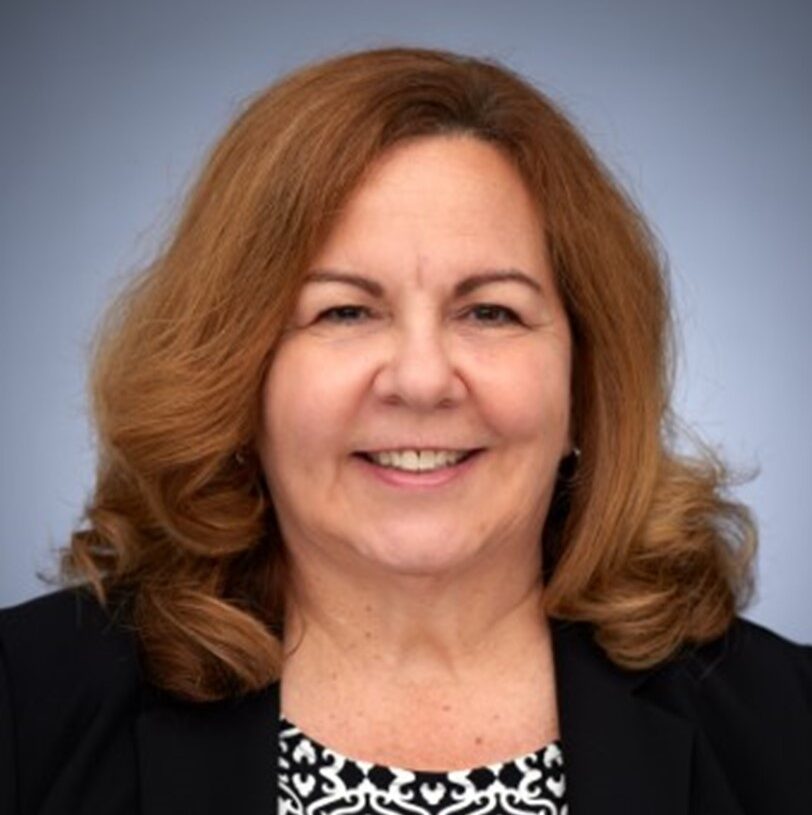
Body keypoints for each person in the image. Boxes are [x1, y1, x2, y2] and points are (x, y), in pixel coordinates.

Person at [1, 46, 810, 815]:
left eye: (490, 310)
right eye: (344, 311)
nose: (421, 380)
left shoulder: (786, 727)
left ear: (586, 380)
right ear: (237, 377)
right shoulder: (27, 707)